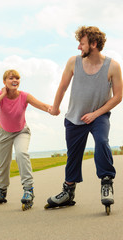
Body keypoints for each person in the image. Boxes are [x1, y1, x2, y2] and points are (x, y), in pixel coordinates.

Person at [45, 26, 123, 210]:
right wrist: (55, 107)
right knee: (73, 155)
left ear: (93, 44)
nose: (79, 47)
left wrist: (96, 114)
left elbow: (118, 96)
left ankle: (106, 183)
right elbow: (63, 87)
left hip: (99, 116)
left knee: (102, 142)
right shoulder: (74, 62)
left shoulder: (112, 66)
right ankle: (68, 191)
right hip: (74, 117)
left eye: (82, 44)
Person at [0, 69, 50, 210]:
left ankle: (28, 190)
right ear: (4, 82)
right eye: (11, 78)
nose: (15, 80)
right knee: (2, 164)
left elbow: (42, 105)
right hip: (3, 133)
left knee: (21, 154)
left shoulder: (24, 96)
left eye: (17, 78)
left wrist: (53, 109)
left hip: (21, 131)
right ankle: (1, 192)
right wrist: (3, 96)